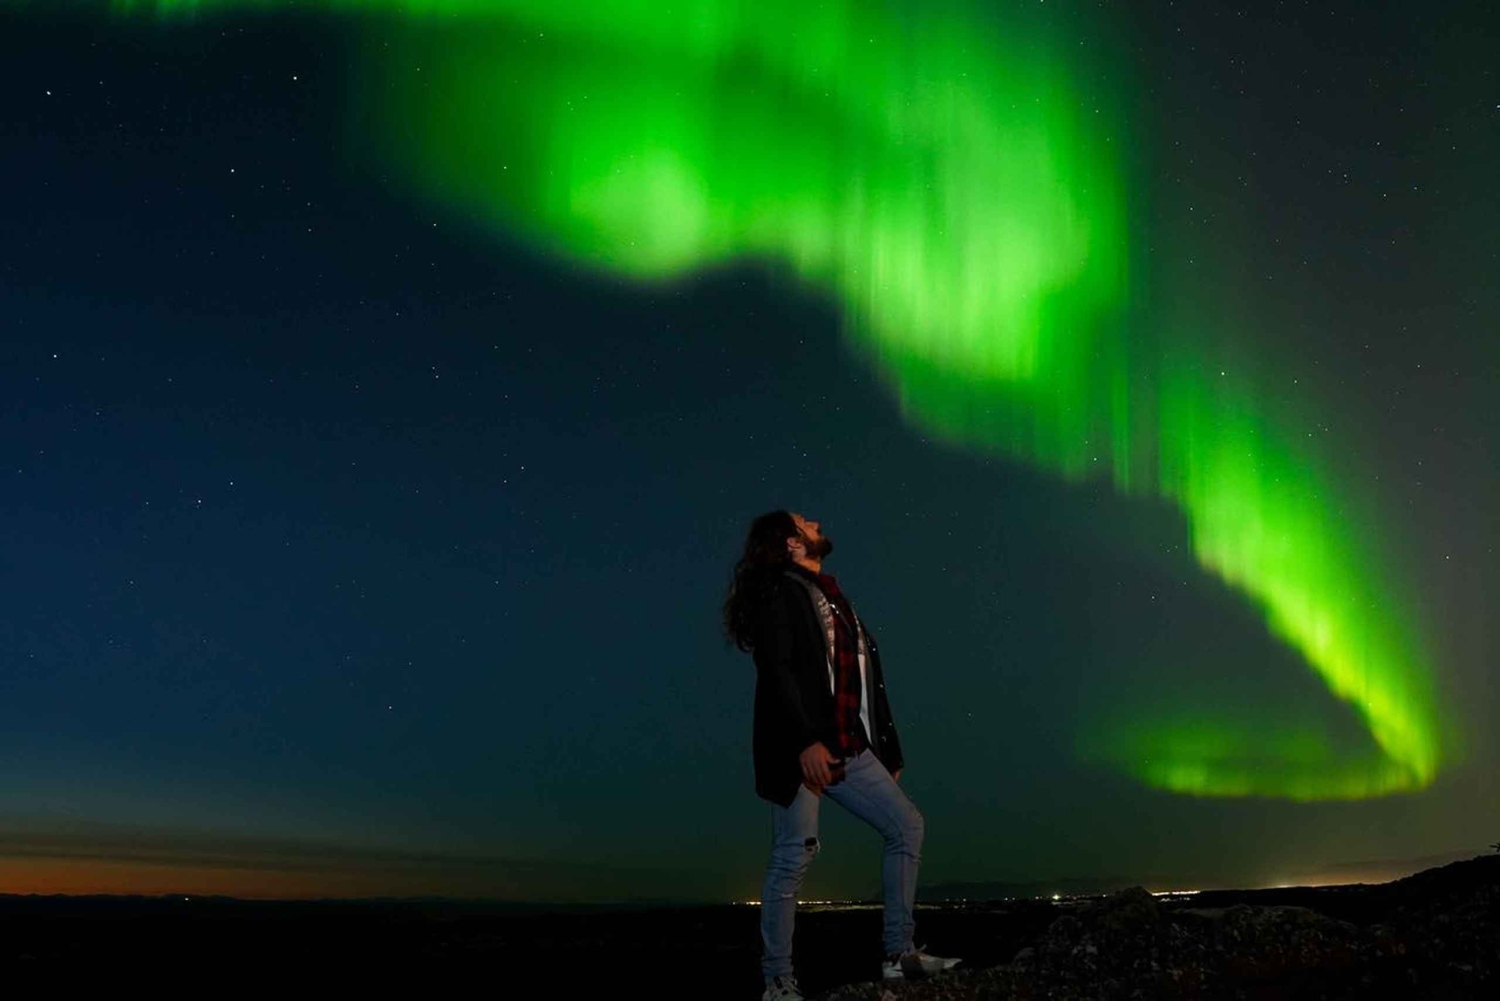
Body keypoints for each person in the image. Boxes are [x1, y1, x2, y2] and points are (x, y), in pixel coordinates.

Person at [724, 510, 960, 1001]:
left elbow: (861, 680)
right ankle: (778, 981)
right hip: (801, 747)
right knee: (794, 854)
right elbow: (778, 671)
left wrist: (885, 748)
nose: (816, 523)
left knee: (906, 826)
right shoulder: (780, 592)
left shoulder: (833, 597)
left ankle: (899, 956)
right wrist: (805, 742)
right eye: (805, 523)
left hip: (848, 745)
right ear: (791, 543)